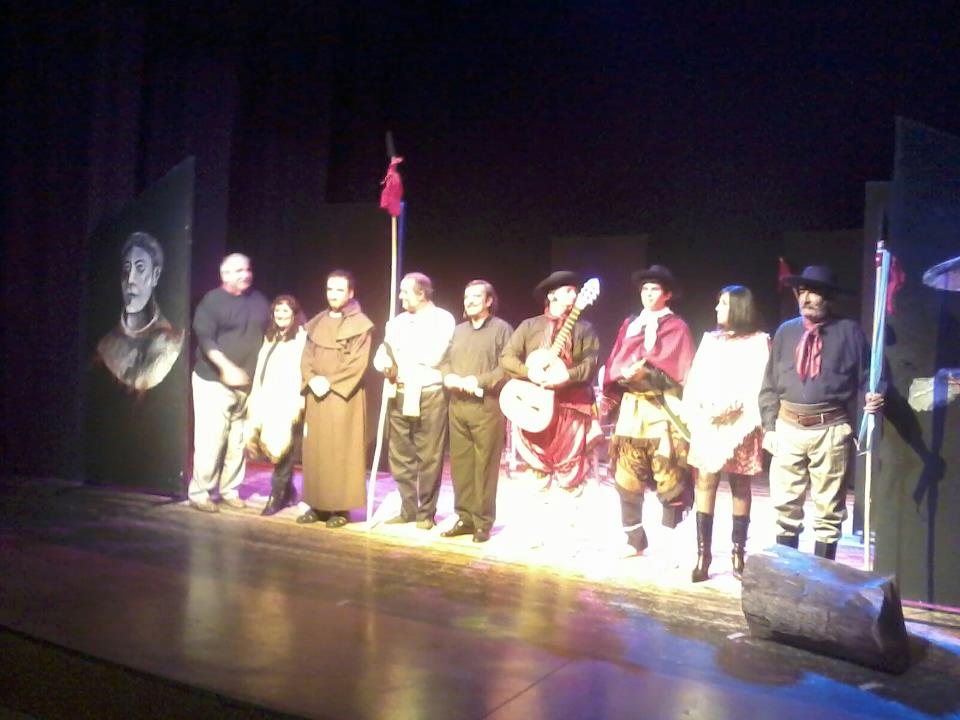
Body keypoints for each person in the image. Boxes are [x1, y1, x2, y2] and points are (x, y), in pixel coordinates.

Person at [759, 265, 884, 559]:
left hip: (830, 429)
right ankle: (786, 572)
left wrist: (875, 395)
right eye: (802, 291)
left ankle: (821, 576)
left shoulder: (848, 332)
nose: (805, 298)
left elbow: (870, 376)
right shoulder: (787, 331)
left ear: (828, 297)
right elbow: (770, 383)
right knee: (785, 506)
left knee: (828, 510)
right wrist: (769, 426)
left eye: (813, 292)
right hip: (788, 426)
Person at [603, 265, 695, 557]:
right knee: (627, 474)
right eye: (645, 289)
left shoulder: (676, 327)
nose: (649, 294)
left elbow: (680, 371)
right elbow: (616, 361)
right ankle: (634, 539)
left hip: (661, 408)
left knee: (669, 473)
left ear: (667, 294)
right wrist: (623, 375)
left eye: (655, 289)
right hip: (632, 409)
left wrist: (648, 373)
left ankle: (669, 541)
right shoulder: (631, 324)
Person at [682, 285, 769, 581]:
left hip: (741, 422)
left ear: (739, 307)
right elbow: (696, 377)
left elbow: (760, 382)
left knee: (740, 485)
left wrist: (736, 406)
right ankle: (703, 555)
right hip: (710, 421)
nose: (717, 308)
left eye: (723, 303)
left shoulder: (758, 342)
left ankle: (737, 554)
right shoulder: (711, 340)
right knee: (705, 480)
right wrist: (704, 405)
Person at [500, 271, 599, 491]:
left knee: (570, 474)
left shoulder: (584, 329)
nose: (574, 295)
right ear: (552, 295)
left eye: (576, 291)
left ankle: (570, 492)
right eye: (568, 291)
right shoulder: (530, 326)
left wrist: (567, 376)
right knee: (536, 473)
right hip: (534, 404)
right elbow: (507, 357)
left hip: (570, 406)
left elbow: (590, 364)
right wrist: (529, 372)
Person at [187, 253, 270, 513]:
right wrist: (226, 368)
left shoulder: (259, 301)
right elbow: (205, 339)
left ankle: (229, 490)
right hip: (214, 382)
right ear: (224, 275)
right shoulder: (212, 302)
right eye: (238, 271)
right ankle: (200, 493)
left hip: (247, 386)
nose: (245, 274)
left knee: (238, 442)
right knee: (212, 441)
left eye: (247, 269)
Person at [372, 272, 455, 530]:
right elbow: (383, 351)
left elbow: (432, 356)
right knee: (400, 455)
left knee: (428, 456)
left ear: (421, 293)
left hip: (428, 394)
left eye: (405, 292)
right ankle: (408, 508)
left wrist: (401, 351)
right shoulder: (396, 323)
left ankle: (426, 513)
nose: (400, 297)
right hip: (399, 392)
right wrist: (384, 361)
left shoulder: (442, 319)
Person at [439, 280, 513, 543]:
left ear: (489, 301)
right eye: (466, 296)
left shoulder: (502, 329)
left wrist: (478, 381)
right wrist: (447, 376)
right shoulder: (459, 331)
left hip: (486, 408)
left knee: (484, 467)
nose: (469, 301)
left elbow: (507, 368)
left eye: (476, 296)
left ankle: (483, 522)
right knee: (460, 465)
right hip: (458, 406)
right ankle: (465, 517)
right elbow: (445, 361)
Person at [298, 270, 373, 528]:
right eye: (330, 289)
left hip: (343, 397)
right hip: (317, 394)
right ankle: (316, 504)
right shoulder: (317, 322)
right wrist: (311, 379)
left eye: (339, 290)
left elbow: (357, 364)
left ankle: (340, 508)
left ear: (350, 293)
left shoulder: (360, 324)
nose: (333, 294)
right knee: (316, 450)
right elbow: (306, 357)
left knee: (341, 451)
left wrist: (329, 382)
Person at [97, 231, 184, 392]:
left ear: (155, 275)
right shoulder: (107, 345)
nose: (130, 280)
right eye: (127, 268)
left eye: (140, 268)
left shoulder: (171, 340)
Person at [245, 295, 308, 516]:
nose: (281, 315)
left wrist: (298, 398)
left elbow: (302, 368)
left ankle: (277, 495)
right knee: (276, 448)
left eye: (285, 311)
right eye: (277, 311)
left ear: (294, 314)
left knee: (285, 449)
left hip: (289, 400)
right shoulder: (271, 337)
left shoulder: (301, 338)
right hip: (268, 399)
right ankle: (287, 490)